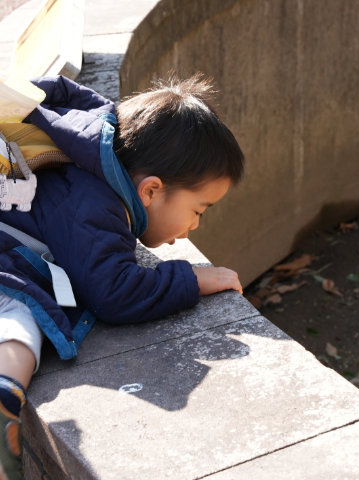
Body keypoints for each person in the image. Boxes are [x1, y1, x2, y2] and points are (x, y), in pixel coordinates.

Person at [0, 73, 244, 479]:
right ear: (150, 191)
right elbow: (114, 292)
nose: (194, 227)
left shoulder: (90, 137)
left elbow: (49, 87)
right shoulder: (98, 205)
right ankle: (6, 388)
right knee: (21, 317)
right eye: (198, 211)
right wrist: (192, 279)